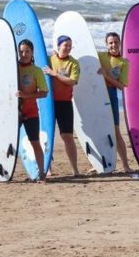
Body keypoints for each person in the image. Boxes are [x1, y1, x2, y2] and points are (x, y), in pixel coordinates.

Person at [44, 35, 81, 177]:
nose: (68, 48)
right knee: (48, 136)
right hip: (49, 103)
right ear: (58, 46)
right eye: (65, 45)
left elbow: (72, 81)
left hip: (65, 103)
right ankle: (48, 168)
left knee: (67, 136)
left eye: (70, 45)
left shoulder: (74, 63)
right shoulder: (48, 60)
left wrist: (54, 74)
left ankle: (75, 169)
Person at [97, 32, 134, 174]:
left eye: (116, 42)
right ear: (106, 44)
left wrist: (106, 76)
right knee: (99, 130)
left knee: (115, 130)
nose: (113, 45)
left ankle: (125, 164)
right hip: (98, 95)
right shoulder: (100, 57)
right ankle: (100, 164)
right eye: (110, 43)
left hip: (111, 95)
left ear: (120, 43)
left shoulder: (124, 62)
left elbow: (121, 86)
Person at [16, 38, 48, 182]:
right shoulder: (12, 68)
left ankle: (41, 172)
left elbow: (44, 92)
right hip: (14, 112)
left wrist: (26, 95)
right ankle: (2, 171)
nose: (24, 54)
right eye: (21, 51)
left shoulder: (36, 71)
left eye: (27, 51)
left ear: (32, 52)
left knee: (34, 141)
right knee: (8, 141)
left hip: (31, 111)